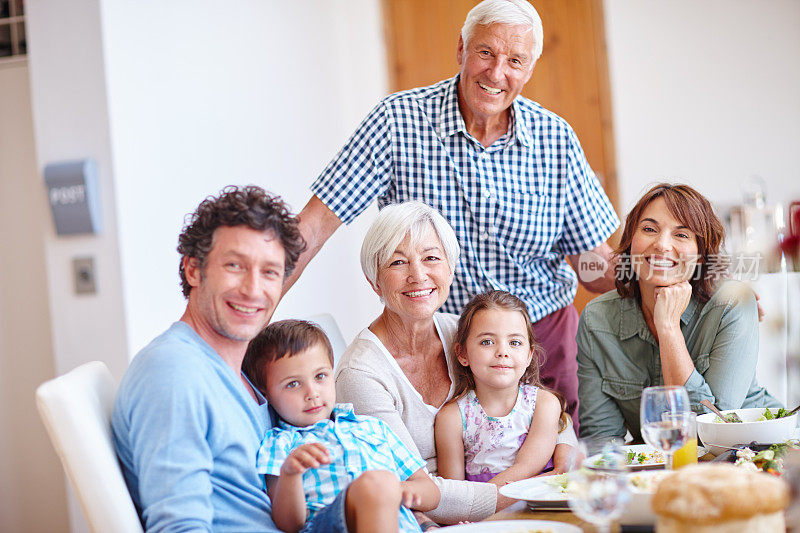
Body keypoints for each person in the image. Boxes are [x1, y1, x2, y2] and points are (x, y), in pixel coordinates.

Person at [288, 0, 620, 423]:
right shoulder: (397, 122)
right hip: (443, 348)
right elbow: (311, 230)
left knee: (558, 477)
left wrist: (651, 273)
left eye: (515, 60)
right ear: (461, 49)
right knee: (460, 480)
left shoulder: (556, 138)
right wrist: (240, 329)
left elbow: (592, 267)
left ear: (530, 68)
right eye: (486, 53)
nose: (497, 73)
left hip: (539, 348)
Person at [335, 201, 578, 525]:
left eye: (431, 258)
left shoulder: (465, 333)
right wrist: (534, 486)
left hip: (504, 504)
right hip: (423, 519)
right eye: (397, 262)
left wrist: (562, 445)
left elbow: (533, 401)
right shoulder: (361, 374)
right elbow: (415, 488)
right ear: (374, 280)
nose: (418, 275)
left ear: (450, 267)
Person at [112, 186, 306, 531]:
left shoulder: (243, 376)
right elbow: (179, 526)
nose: (253, 289)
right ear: (193, 271)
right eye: (235, 265)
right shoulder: (174, 371)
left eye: (270, 272)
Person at [577, 183, 782, 440]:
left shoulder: (732, 303)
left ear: (700, 255)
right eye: (649, 229)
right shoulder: (597, 319)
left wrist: (669, 329)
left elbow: (712, 431)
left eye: (682, 235)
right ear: (630, 243)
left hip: (757, 452)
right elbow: (600, 438)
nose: (662, 245)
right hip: (661, 467)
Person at [243, 319, 439, 533]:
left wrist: (397, 491)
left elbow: (431, 491)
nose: (312, 393)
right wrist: (291, 475)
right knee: (375, 484)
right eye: (293, 384)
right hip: (329, 524)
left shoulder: (372, 428)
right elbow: (289, 524)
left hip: (397, 523)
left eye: (320, 376)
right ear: (265, 393)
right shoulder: (280, 444)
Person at [435, 290, 569, 486]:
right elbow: (453, 489)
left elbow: (527, 467)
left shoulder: (545, 404)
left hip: (539, 507)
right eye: (487, 342)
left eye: (515, 342)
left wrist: (483, 499)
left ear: (529, 354)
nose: (503, 352)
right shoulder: (452, 418)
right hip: (480, 515)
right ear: (462, 353)